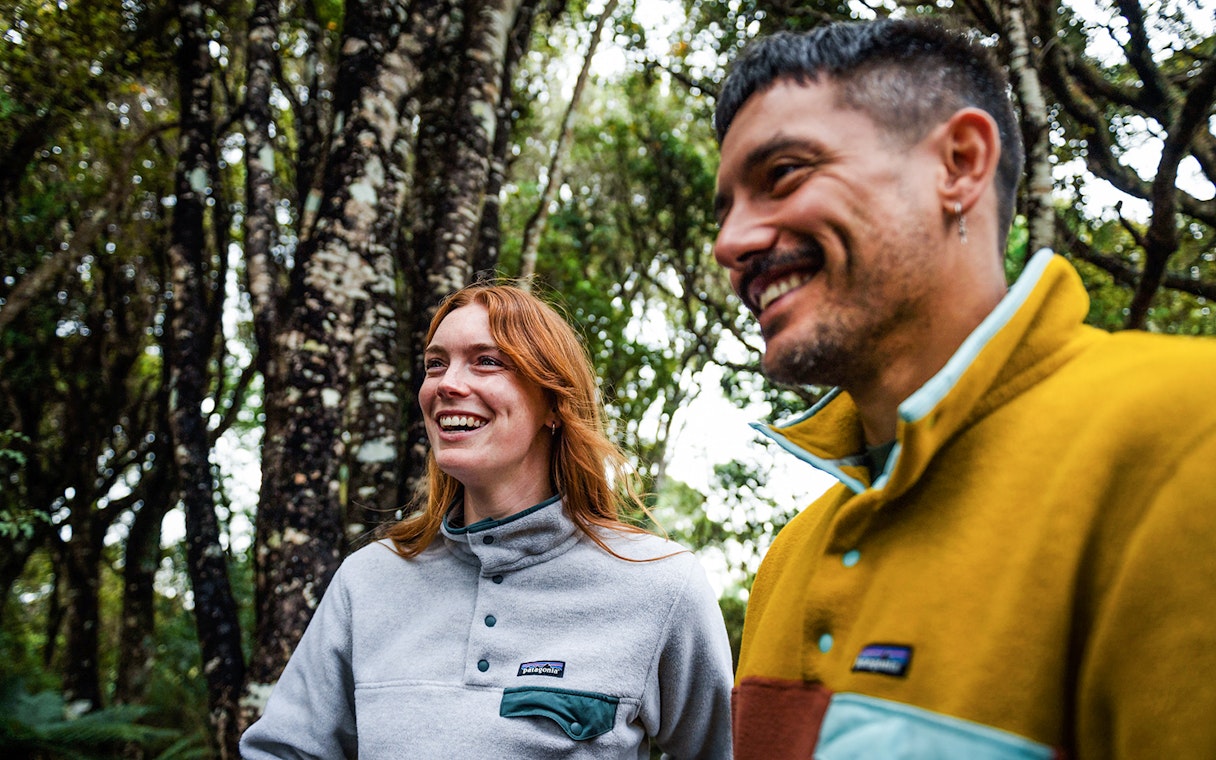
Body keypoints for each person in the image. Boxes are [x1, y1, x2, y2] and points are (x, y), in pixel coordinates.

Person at [711, 17, 1216, 760]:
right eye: (725, 211)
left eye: (783, 174)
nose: (730, 244)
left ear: (959, 164)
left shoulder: (1186, 435)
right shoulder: (790, 556)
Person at [240, 283, 734, 759]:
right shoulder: (367, 581)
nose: (447, 384)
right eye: (435, 364)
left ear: (554, 403)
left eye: (487, 361)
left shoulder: (661, 585)